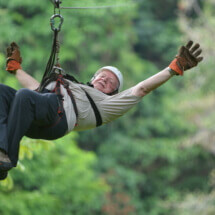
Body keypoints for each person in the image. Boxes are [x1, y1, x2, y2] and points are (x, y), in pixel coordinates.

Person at [0, 41, 203, 180]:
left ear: (114, 92)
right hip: (38, 110)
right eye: (101, 76)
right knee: (4, 92)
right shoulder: (74, 88)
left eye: (110, 82)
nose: (104, 79)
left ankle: (8, 158)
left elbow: (142, 88)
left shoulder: (107, 105)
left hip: (56, 121)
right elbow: (36, 90)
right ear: (93, 78)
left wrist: (173, 68)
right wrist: (16, 68)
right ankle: (2, 150)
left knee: (25, 98)